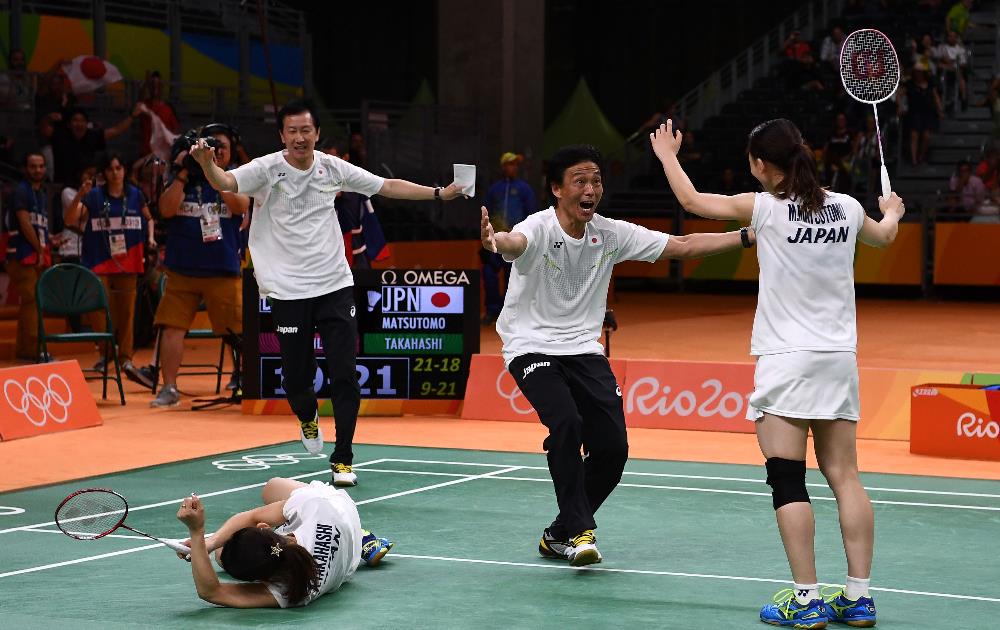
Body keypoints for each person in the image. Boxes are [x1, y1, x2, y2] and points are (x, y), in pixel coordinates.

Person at [651, 118, 905, 628]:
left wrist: (667, 157)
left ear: (761, 165)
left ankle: (806, 599)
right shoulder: (850, 208)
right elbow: (884, 238)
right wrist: (893, 211)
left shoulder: (763, 208)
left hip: (786, 362)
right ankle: (858, 597)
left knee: (787, 480)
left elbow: (695, 203)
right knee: (846, 476)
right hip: (838, 360)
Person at [480, 144, 757, 567]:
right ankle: (577, 531)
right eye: (580, 181)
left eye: (596, 181)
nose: (591, 189)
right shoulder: (537, 228)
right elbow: (514, 243)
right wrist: (495, 240)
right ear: (557, 188)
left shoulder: (610, 234)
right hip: (530, 345)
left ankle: (558, 532)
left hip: (584, 349)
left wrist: (744, 235)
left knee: (613, 448)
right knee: (567, 423)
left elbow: (682, 245)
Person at [190, 99, 465, 487]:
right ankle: (307, 416)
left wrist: (439, 193)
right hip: (287, 290)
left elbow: (386, 186)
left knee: (344, 375)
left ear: (317, 133)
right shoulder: (266, 169)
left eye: (306, 130)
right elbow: (226, 182)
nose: (299, 137)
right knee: (296, 380)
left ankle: (344, 456)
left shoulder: (332, 167)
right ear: (282, 135)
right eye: (292, 131)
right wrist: (206, 165)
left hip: (334, 283)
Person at [175, 477, 393, 608]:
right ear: (265, 528)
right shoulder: (314, 505)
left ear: (261, 579)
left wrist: (200, 537)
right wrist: (204, 540)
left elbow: (212, 591)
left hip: (349, 558)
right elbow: (253, 516)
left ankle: (360, 535)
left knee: (221, 555)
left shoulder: (291, 591)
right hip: (339, 510)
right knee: (271, 487)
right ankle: (361, 534)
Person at [151, 124, 249, 407]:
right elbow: (166, 209)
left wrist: (213, 171)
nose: (215, 150)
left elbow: (241, 206)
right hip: (182, 269)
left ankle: (240, 378)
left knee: (236, 329)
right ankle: (169, 388)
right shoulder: (179, 177)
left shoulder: (234, 177)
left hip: (222, 268)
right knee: (172, 327)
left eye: (221, 147)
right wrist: (183, 173)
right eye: (210, 145)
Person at [66, 151, 156, 387]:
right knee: (98, 310)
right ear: (104, 173)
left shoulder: (135, 195)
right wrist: (79, 196)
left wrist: (152, 238)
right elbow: (70, 220)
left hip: (129, 261)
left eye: (119, 168)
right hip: (98, 261)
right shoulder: (94, 196)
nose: (115, 173)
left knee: (126, 313)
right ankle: (106, 353)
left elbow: (149, 219)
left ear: (124, 171)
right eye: (110, 169)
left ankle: (125, 359)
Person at [481, 152, 539, 324]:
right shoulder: (494, 189)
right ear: (503, 166)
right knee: (489, 273)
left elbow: (533, 214)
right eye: (510, 164)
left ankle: (510, 314)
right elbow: (486, 212)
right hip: (496, 239)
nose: (513, 167)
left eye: (515, 165)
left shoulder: (524, 188)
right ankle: (492, 310)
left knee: (512, 278)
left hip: (515, 240)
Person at [4, 152, 52, 362]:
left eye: (41, 166)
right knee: (33, 300)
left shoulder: (41, 194)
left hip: (34, 256)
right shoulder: (20, 192)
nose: (38, 170)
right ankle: (33, 350)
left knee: (29, 303)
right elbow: (24, 223)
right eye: (33, 166)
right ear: (26, 169)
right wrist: (40, 250)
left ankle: (24, 350)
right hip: (20, 256)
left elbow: (38, 227)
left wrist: (50, 242)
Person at [49, 107, 140, 185]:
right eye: (75, 120)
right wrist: (48, 118)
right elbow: (44, 129)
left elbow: (116, 131)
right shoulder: (60, 136)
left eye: (82, 120)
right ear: (69, 124)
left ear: (87, 124)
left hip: (87, 183)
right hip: (63, 184)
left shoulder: (92, 135)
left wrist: (132, 116)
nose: (79, 124)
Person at [898, 64, 943, 166]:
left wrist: (940, 109)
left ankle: (921, 156)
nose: (918, 74)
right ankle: (914, 160)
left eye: (920, 72)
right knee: (914, 135)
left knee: (927, 136)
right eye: (916, 72)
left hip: (927, 112)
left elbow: (936, 97)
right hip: (914, 112)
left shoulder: (930, 84)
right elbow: (899, 94)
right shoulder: (910, 84)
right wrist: (900, 106)